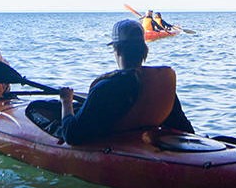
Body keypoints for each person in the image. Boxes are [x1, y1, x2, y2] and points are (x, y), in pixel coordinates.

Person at [37, 19, 192, 145]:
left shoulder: (106, 87)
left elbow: (72, 136)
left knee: (36, 108)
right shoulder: (160, 84)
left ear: (117, 50)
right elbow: (185, 129)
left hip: (118, 149)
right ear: (144, 50)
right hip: (145, 142)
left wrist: (66, 101)